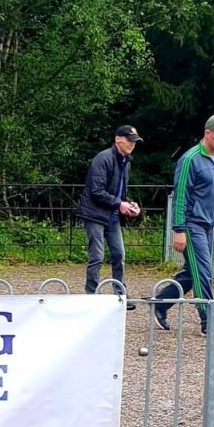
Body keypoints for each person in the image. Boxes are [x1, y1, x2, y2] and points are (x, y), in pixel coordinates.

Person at [154, 113, 214, 334]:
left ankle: (160, 304)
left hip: (208, 226)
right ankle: (209, 321)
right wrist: (179, 230)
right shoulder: (190, 159)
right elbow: (180, 197)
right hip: (191, 225)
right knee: (204, 272)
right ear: (208, 134)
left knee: (193, 272)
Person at [76, 125, 143, 308]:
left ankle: (119, 294)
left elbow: (119, 193)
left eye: (134, 141)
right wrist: (119, 204)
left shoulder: (126, 162)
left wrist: (129, 203)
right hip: (94, 214)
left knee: (119, 254)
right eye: (129, 140)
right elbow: (96, 191)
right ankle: (91, 295)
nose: (132, 144)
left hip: (111, 214)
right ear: (118, 139)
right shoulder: (103, 158)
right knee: (97, 255)